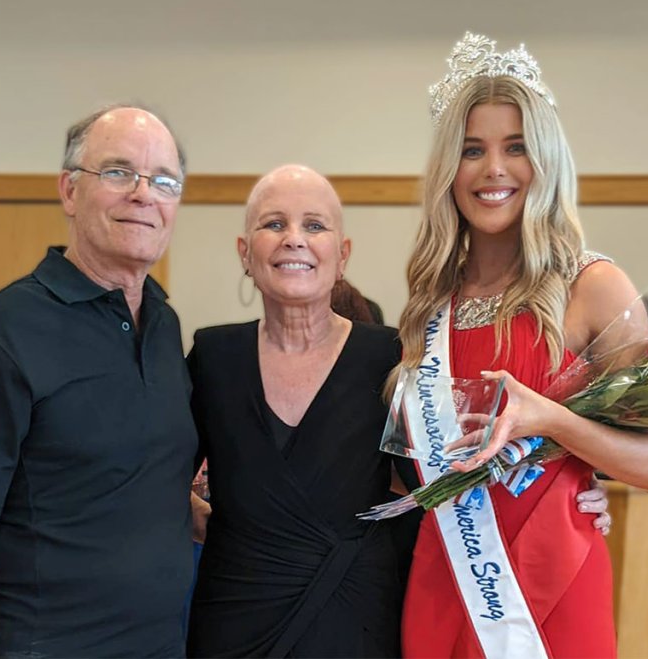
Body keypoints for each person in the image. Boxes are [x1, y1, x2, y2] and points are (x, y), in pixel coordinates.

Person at [185, 164, 612, 658]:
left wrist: (570, 492)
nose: (294, 240)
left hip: (357, 617)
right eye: (273, 224)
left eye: (315, 225)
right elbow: (153, 462)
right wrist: (185, 508)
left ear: (342, 255)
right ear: (245, 251)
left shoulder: (391, 356)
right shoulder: (212, 357)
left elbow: (451, 470)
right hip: (235, 617)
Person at [395, 33, 648, 658]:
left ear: (545, 159)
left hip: (555, 580)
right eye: (472, 150)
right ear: (450, 169)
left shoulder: (595, 286)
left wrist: (551, 421)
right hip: (444, 570)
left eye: (515, 148)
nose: (493, 169)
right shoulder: (429, 300)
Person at [0, 104, 199, 657]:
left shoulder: (165, 325)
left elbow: (123, 477)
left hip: (161, 644)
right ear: (70, 190)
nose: (144, 195)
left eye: (163, 181)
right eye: (119, 172)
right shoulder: (2, 328)